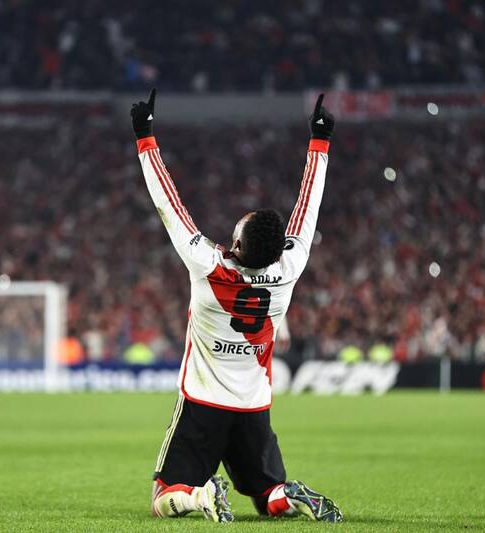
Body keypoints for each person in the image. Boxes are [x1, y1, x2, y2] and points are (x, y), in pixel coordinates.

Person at [132, 89, 342, 523]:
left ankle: (200, 497)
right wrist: (319, 143)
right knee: (267, 496)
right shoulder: (289, 266)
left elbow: (168, 204)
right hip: (253, 406)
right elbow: (308, 208)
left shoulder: (208, 265)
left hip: (203, 403)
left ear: (238, 247)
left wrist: (145, 137)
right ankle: (289, 495)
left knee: (163, 497)